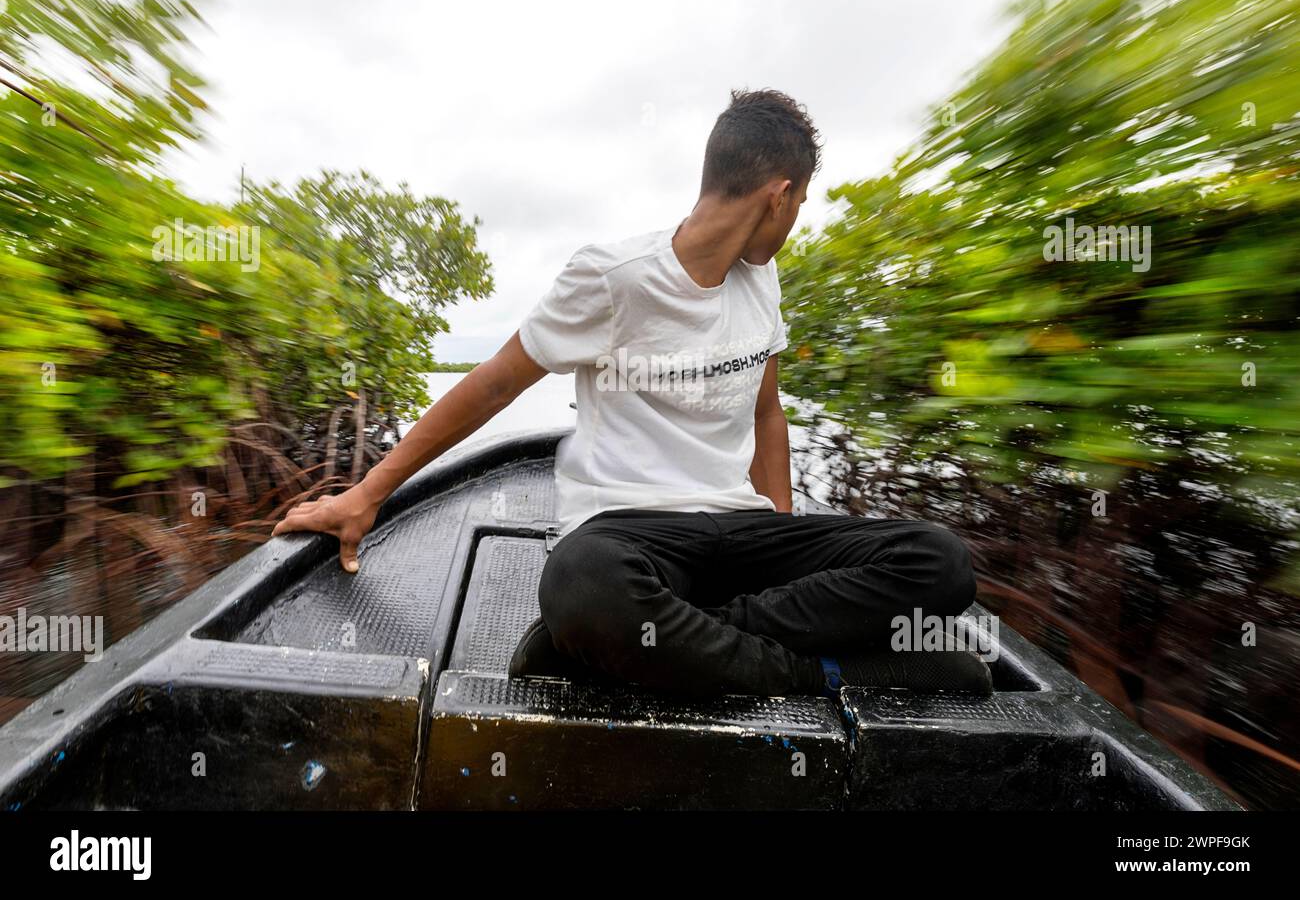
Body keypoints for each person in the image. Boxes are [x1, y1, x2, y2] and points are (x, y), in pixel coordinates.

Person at [272, 88, 990, 700]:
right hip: (632, 536)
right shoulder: (612, 277)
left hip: (737, 534)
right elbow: (493, 385)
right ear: (779, 196)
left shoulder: (761, 280)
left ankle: (677, 641)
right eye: (801, 201)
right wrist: (366, 495)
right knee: (584, 586)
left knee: (940, 562)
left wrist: (782, 531)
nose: (796, 218)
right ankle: (816, 667)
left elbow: (768, 413)